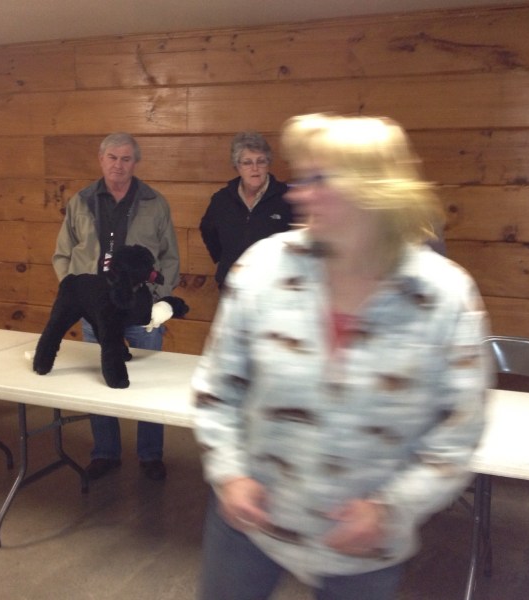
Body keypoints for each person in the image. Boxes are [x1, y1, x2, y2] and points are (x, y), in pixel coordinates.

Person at [192, 113, 491, 599]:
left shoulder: (441, 294)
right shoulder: (265, 268)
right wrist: (230, 474)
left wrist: (392, 508)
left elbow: (458, 432)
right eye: (301, 178)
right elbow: (216, 387)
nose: (297, 194)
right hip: (252, 521)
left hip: (364, 548)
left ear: (372, 189)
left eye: (319, 179)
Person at [53, 132, 180, 481]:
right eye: (112, 157)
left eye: (126, 159)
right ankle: (105, 452)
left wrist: (157, 296)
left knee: (149, 381)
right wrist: (77, 294)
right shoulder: (81, 202)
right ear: (101, 159)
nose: (118, 165)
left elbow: (170, 256)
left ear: (135, 163)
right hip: (97, 309)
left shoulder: (155, 202)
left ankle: (150, 455)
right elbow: (63, 254)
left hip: (141, 310)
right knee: (101, 378)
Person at [200, 131, 295, 288]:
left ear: (268, 164)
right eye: (247, 162)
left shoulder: (286, 199)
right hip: (232, 286)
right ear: (237, 166)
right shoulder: (222, 199)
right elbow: (208, 231)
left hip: (274, 288)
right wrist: (226, 260)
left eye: (261, 161)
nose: (255, 168)